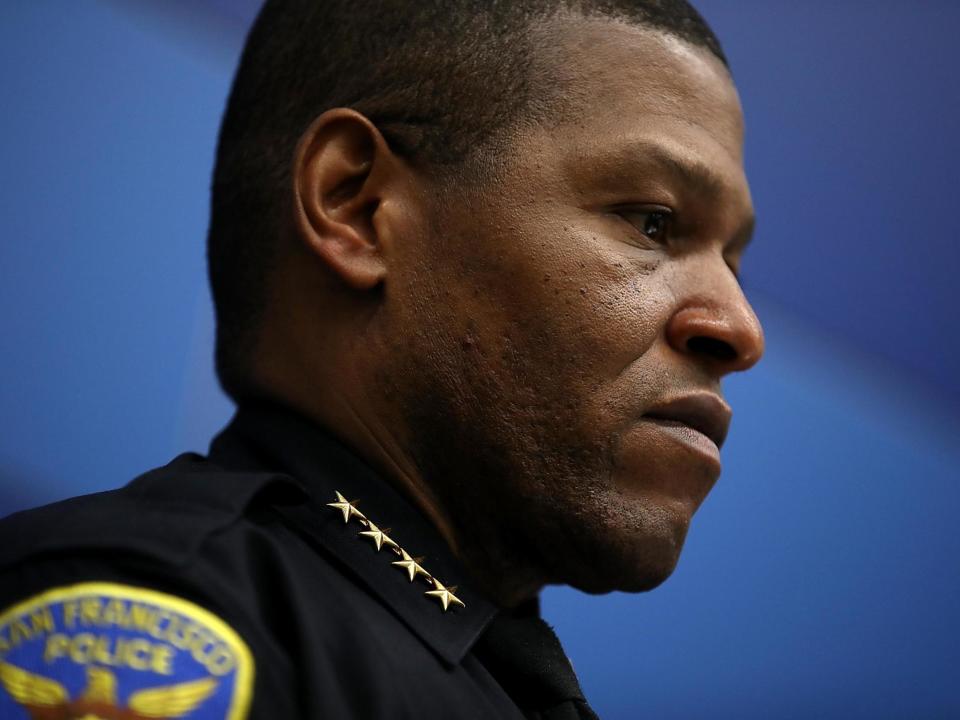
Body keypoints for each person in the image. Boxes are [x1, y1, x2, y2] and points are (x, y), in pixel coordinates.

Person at [0, 0, 764, 717]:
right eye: (654, 223)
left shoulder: (477, 674)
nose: (739, 326)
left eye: (733, 260)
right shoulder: (140, 628)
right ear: (356, 205)